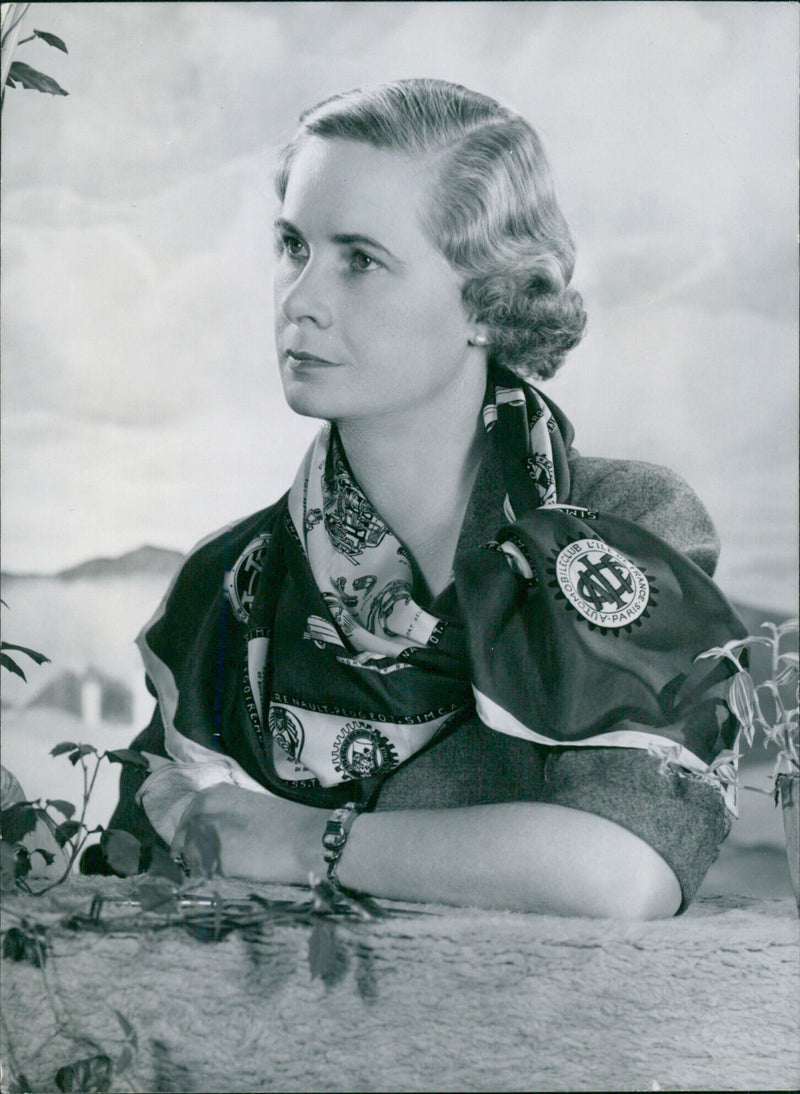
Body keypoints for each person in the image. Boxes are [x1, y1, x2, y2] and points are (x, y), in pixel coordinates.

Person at [104, 79, 744, 918]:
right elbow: (119, 886)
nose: (300, 302)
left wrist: (301, 838)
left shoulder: (618, 524)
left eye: (360, 261)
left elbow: (625, 870)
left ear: (488, 300)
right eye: (294, 246)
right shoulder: (228, 584)